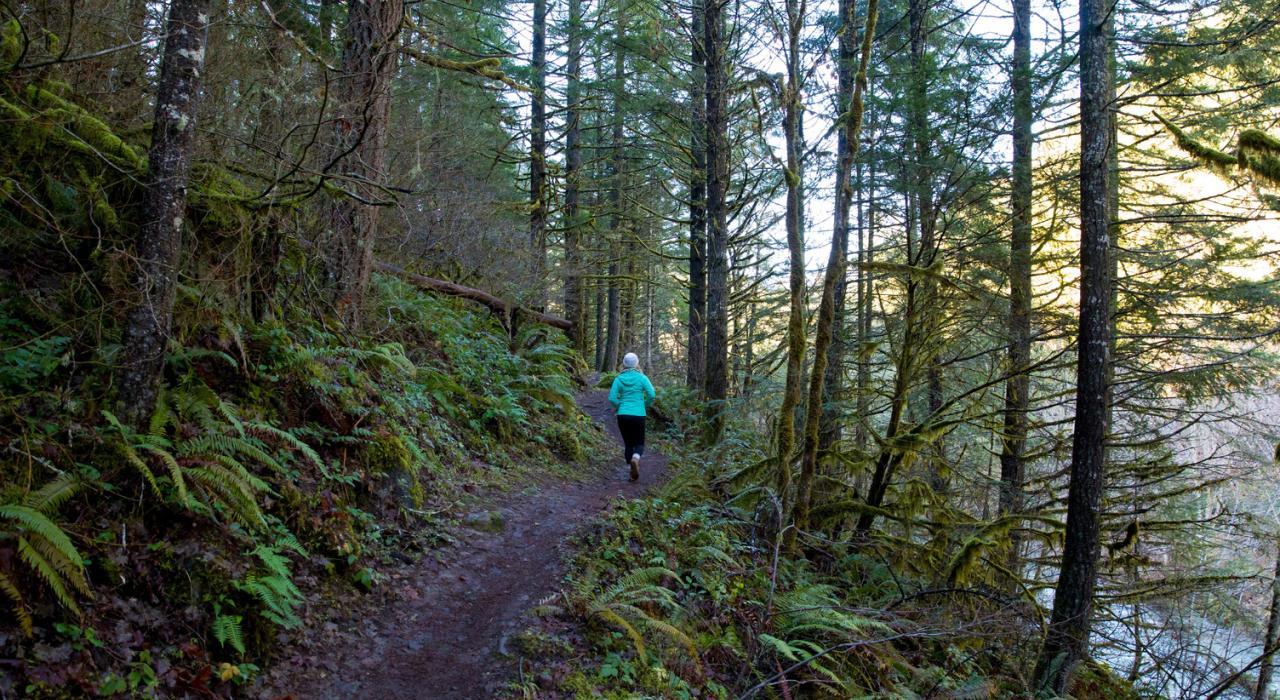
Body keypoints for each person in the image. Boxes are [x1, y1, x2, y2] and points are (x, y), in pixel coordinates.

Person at [608, 352, 656, 481]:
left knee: (628, 444)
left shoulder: (619, 379)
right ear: (637, 363)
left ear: (623, 364)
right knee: (639, 443)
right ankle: (636, 459)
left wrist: (620, 406)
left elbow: (612, 398)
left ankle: (632, 469)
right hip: (639, 414)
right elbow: (652, 394)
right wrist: (644, 404)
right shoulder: (642, 378)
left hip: (623, 415)